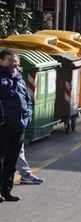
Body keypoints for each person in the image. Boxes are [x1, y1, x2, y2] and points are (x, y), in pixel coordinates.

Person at [0, 49, 32, 203]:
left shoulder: (19, 79)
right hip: (3, 127)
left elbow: (28, 100)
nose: (14, 65)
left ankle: (6, 191)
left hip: (19, 128)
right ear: (1, 61)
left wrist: (28, 118)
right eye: (10, 61)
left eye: (16, 62)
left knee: (11, 162)